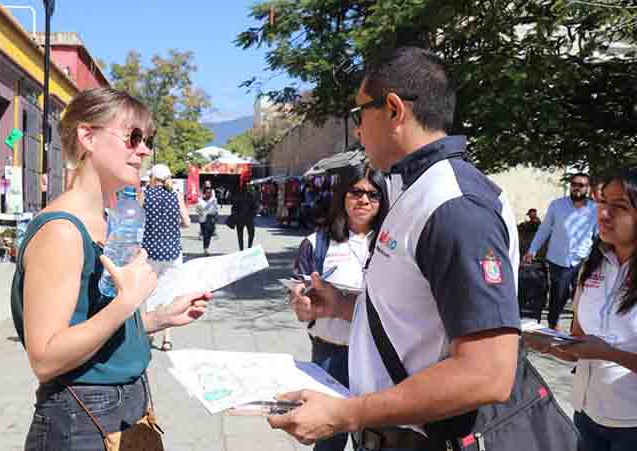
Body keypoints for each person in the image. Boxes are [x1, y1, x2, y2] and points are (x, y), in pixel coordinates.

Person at [272, 47, 521, 449]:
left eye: (359, 114)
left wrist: (346, 414)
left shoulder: (454, 206)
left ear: (393, 110)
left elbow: (487, 374)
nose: (357, 130)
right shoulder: (413, 189)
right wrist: (339, 305)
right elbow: (416, 319)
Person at [10, 87, 211, 451]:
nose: (145, 150)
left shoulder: (105, 221)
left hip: (126, 404)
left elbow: (90, 323)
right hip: (81, 416)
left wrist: (158, 319)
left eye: (146, 139)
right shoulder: (63, 231)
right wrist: (128, 301)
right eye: (133, 137)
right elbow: (45, 357)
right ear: (87, 136)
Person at [526, 170, 637, 451]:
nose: (603, 214)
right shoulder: (594, 266)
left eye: (620, 206)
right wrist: (545, 344)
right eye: (603, 202)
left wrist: (608, 354)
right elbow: (579, 342)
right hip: (586, 414)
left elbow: (598, 349)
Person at [290, 165, 387, 451]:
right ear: (342, 196)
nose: (364, 200)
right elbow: (298, 290)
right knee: (328, 438)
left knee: (375, 438)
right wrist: (300, 304)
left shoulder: (394, 243)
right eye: (356, 192)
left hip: (378, 358)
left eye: (373, 194)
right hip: (330, 354)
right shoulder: (316, 243)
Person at [524, 173, 598, 331]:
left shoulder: (595, 209)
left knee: (582, 298)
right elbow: (544, 229)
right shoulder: (557, 205)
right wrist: (532, 250)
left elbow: (598, 235)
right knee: (559, 294)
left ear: (588, 188)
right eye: (574, 184)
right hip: (559, 258)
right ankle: (553, 324)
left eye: (581, 185)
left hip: (583, 260)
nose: (577, 187)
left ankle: (576, 329)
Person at [142, 163, 192, 352]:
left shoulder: (146, 195)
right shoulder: (176, 196)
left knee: (151, 292)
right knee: (169, 294)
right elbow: (187, 223)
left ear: (153, 179)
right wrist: (171, 226)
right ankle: (167, 339)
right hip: (172, 252)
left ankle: (148, 334)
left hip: (151, 252)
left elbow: (138, 220)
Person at [230, 183, 258, 251]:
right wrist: (234, 215)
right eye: (246, 187)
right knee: (241, 235)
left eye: (248, 187)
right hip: (240, 218)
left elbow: (255, 206)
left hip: (248, 218)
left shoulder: (251, 195)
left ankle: (248, 247)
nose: (247, 188)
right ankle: (242, 249)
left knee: (251, 234)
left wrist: (253, 215)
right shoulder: (238, 195)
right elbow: (233, 206)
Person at [196, 184, 219, 255]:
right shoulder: (200, 200)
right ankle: (206, 248)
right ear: (204, 193)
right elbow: (198, 209)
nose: (209, 194)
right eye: (207, 192)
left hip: (211, 218)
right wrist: (200, 211)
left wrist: (216, 216)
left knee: (209, 234)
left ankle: (206, 248)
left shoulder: (214, 199)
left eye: (210, 192)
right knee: (205, 234)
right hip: (203, 219)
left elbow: (216, 209)